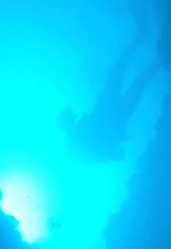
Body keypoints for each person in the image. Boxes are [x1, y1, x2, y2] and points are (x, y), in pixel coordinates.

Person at [59, 14, 160, 163]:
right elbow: (101, 154)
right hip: (114, 112)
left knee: (132, 76)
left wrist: (113, 152)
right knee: (132, 76)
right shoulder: (74, 142)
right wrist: (113, 152)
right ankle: (157, 53)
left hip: (111, 108)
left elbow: (106, 154)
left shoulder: (74, 138)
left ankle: (152, 49)